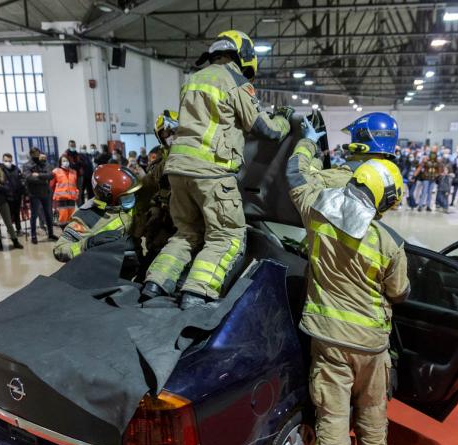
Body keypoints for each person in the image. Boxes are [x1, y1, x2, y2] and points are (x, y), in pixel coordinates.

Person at [286, 118, 409, 445]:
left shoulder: (317, 215)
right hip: (372, 347)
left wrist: (306, 143)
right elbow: (399, 292)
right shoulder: (391, 244)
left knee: (333, 423)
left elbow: (295, 177)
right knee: (372, 420)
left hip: (329, 343)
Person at [143, 29, 291, 308]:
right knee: (226, 236)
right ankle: (196, 293)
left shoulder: (193, 80)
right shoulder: (234, 80)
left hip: (178, 171)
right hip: (212, 173)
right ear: (244, 55)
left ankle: (155, 283)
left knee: (186, 233)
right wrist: (283, 120)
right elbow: (265, 129)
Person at [53, 164, 140, 262]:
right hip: (104, 268)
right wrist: (88, 244)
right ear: (108, 196)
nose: (132, 198)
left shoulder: (124, 206)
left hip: (128, 262)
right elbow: (59, 250)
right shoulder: (85, 219)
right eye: (127, 196)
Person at [131, 111, 179, 267]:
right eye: (166, 133)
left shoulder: (194, 156)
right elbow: (147, 189)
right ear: (160, 136)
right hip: (164, 224)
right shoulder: (160, 161)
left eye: (175, 131)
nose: (171, 136)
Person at [23, 148, 58, 244]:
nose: (36, 154)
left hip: (46, 193)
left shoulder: (44, 163)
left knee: (48, 214)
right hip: (34, 193)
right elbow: (29, 178)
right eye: (34, 153)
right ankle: (33, 236)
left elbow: (51, 175)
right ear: (31, 154)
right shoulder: (27, 165)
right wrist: (44, 179)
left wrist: (38, 175)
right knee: (34, 215)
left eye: (38, 153)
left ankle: (50, 234)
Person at [50, 154, 80, 226]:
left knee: (71, 217)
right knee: (63, 217)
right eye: (63, 161)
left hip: (71, 198)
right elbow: (51, 185)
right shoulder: (55, 171)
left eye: (66, 160)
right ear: (60, 162)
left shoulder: (74, 172)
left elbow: (74, 185)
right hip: (61, 198)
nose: (65, 162)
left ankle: (69, 233)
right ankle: (64, 232)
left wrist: (76, 193)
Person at [0, 153, 25, 235]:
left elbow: (21, 179)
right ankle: (10, 230)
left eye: (9, 161)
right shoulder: (0, 169)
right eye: (6, 161)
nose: (8, 162)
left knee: (17, 213)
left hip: (17, 195)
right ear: (3, 160)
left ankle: (19, 229)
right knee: (8, 215)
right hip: (6, 196)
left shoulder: (16, 168)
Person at [415, 147, 441, 212]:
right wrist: (415, 175)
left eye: (434, 153)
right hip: (426, 178)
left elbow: (439, 170)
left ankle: (428, 206)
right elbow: (420, 166)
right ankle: (420, 206)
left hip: (433, 179)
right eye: (432, 153)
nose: (433, 155)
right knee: (424, 192)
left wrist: (437, 175)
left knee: (430, 193)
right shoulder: (426, 159)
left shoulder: (437, 161)